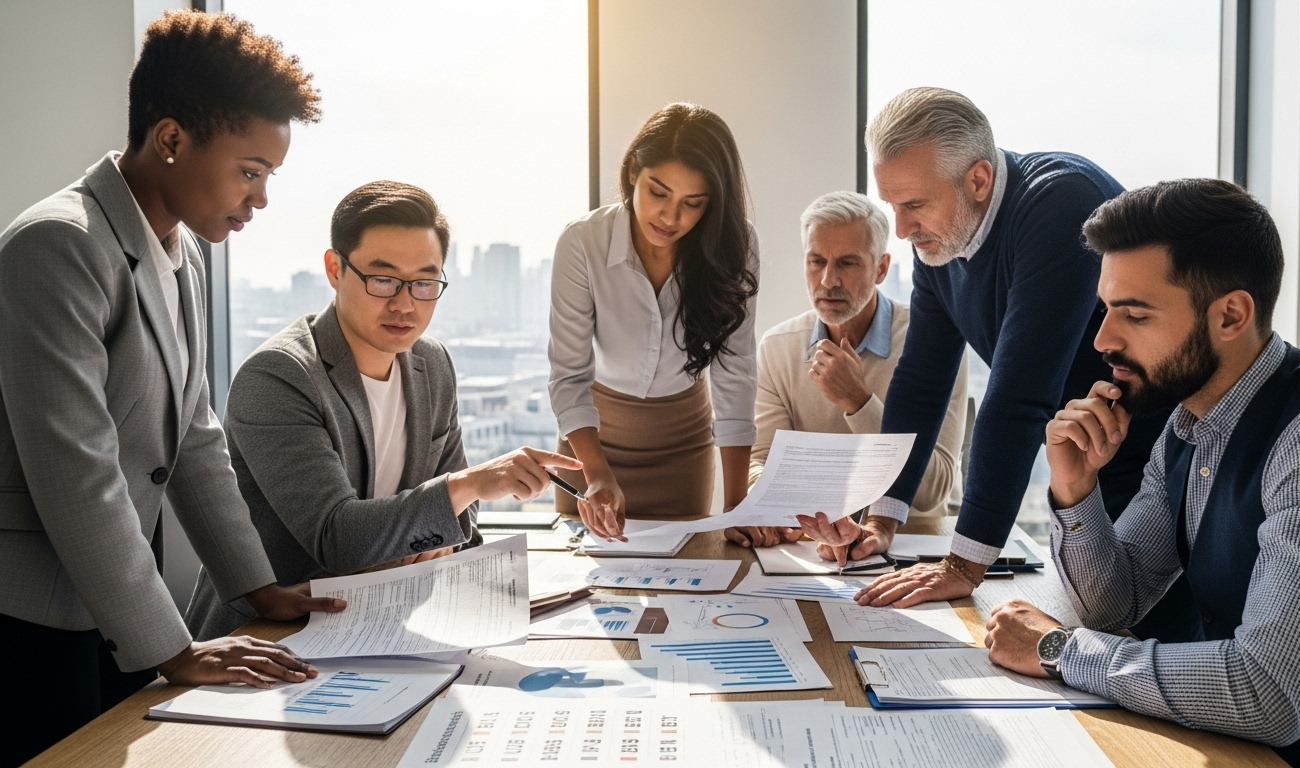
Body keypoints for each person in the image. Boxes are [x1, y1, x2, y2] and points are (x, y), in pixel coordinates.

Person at [0, 12, 345, 765]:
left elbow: (194, 436)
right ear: (170, 139)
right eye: (249, 170)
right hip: (30, 620)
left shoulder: (181, 250)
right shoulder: (58, 244)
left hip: (114, 598)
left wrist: (258, 589)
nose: (258, 200)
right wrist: (175, 648)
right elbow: (77, 474)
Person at [982, 179, 1300, 764]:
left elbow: (1270, 692)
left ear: (1230, 315)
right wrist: (1077, 490)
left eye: (1134, 314)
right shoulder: (1189, 423)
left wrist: (1060, 650)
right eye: (1105, 310)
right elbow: (1116, 604)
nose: (1103, 339)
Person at [818, 88, 1189, 642]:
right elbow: (921, 382)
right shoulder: (941, 244)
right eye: (892, 206)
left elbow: (1019, 396)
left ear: (978, 180)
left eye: (914, 205)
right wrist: (882, 519)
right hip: (1086, 454)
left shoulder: (1062, 203)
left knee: (1144, 639)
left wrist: (963, 566)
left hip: (1160, 459)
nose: (900, 229)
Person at [185, 182, 581, 640]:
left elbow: (462, 525)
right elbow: (339, 538)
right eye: (383, 279)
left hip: (386, 622)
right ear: (335, 269)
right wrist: (466, 486)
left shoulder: (431, 364)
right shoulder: (278, 376)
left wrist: (433, 516)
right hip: (270, 637)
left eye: (424, 282)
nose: (405, 303)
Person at [548, 103, 759, 540]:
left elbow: (735, 376)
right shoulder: (582, 242)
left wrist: (738, 503)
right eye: (658, 192)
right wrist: (597, 473)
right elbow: (568, 376)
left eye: (692, 203)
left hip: (682, 450)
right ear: (631, 174)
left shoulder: (733, 245)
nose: (670, 216)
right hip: (591, 447)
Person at [752, 191, 967, 554]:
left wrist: (859, 401)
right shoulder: (778, 347)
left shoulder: (933, 343)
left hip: (910, 545)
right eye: (816, 261)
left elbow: (933, 490)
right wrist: (768, 503)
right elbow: (761, 462)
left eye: (848, 263)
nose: (828, 280)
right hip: (812, 547)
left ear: (881, 268)